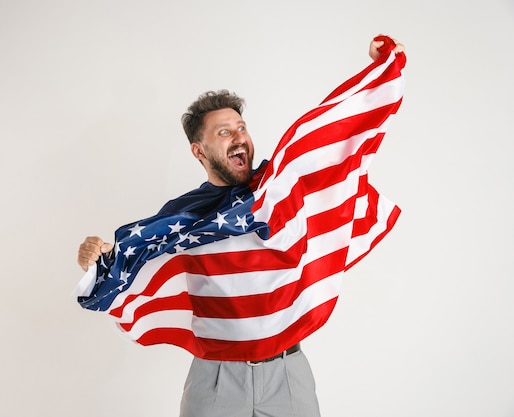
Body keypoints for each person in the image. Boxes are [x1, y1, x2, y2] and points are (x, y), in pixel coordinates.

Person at [77, 36, 405, 417]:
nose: (239, 138)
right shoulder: (183, 217)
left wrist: (376, 75)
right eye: (223, 132)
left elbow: (335, 148)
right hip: (215, 381)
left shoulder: (281, 190)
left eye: (241, 127)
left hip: (288, 373)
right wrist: (98, 259)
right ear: (199, 151)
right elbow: (133, 259)